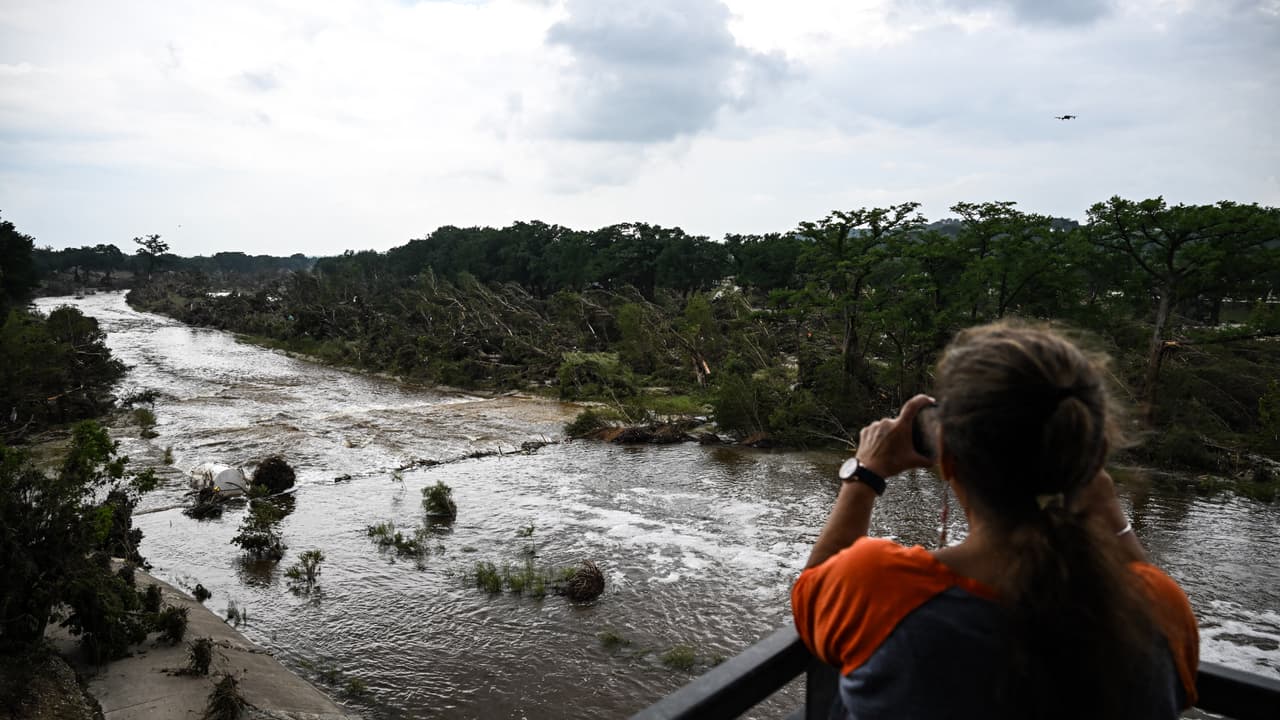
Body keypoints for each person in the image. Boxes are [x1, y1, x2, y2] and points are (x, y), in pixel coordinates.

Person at [791, 322, 1199, 719]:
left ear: (947, 453)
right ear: (1093, 455)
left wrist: (864, 475)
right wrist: (1107, 506)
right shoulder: (1155, 608)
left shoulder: (883, 588)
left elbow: (812, 597)